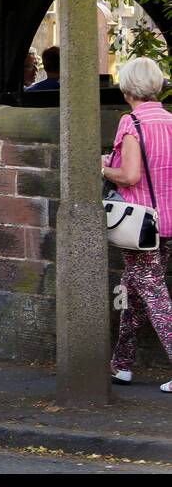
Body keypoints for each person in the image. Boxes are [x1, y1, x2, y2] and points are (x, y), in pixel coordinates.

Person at [101, 56, 172, 391]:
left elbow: (129, 175)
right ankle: (122, 364)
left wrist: (102, 168)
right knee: (134, 291)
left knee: (153, 293)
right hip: (170, 222)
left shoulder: (132, 123)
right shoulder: (171, 121)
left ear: (128, 89)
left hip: (141, 224)